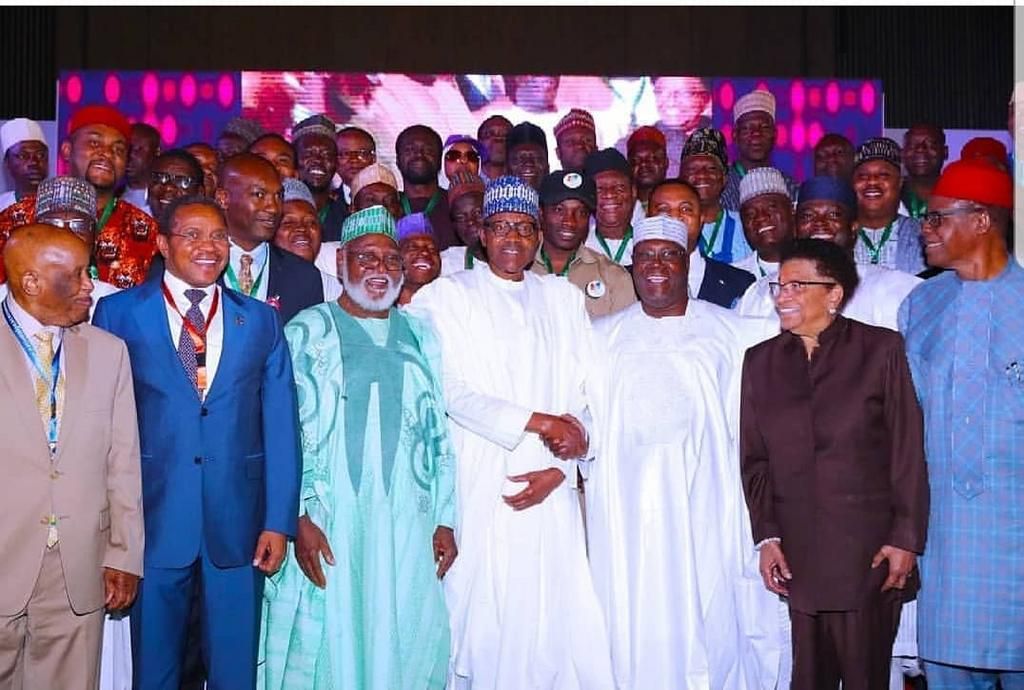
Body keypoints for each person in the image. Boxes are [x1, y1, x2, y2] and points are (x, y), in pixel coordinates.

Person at [406, 176, 615, 690]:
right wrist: (540, 422)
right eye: (501, 227)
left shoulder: (561, 299)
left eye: (524, 228)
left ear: (539, 235)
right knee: (480, 615)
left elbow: (588, 395)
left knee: (550, 619)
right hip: (480, 476)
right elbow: (448, 391)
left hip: (550, 484)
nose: (513, 239)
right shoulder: (446, 296)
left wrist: (563, 468)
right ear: (481, 233)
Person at [92, 196, 301, 690]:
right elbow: (99, 424)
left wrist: (278, 522)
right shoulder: (117, 313)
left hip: (239, 522)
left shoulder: (261, 320)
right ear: (163, 244)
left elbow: (280, 425)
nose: (208, 247)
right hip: (152, 518)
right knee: (154, 666)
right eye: (192, 235)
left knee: (234, 668)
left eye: (217, 237)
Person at [259, 204, 456, 690]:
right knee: (331, 635)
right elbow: (279, 432)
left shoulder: (421, 334)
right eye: (367, 257)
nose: (379, 269)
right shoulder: (305, 331)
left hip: (405, 516)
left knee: (407, 625)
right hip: (329, 515)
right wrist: (297, 516)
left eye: (390, 260)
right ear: (341, 260)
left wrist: (446, 517)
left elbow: (439, 433)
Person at [588, 214, 774, 689]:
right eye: (645, 256)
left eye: (668, 256)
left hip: (708, 498)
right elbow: (581, 413)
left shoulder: (732, 331)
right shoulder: (600, 336)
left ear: (687, 263)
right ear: (631, 267)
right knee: (635, 607)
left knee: (710, 605)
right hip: (627, 505)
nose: (656, 266)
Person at [741, 238, 929, 690]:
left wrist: (904, 538)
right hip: (799, 555)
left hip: (867, 554)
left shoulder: (880, 350)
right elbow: (755, 460)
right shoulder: (761, 362)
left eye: (796, 285)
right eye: (778, 286)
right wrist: (767, 536)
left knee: (866, 677)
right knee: (808, 678)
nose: (782, 296)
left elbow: (906, 449)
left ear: (834, 294)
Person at [0, 223, 142, 690]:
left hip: (78, 570)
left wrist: (124, 553)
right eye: (78, 275)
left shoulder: (109, 352)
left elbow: (123, 460)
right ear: (31, 282)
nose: (90, 285)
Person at [899, 159, 1024, 688]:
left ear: (981, 221)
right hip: (947, 542)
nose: (924, 230)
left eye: (936, 219)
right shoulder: (920, 305)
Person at [0, 106, 159, 289]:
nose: (107, 153)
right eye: (94, 143)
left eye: (118, 149)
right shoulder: (15, 220)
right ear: (67, 150)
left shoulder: (145, 230)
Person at [796, 176, 920, 331]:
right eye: (808, 216)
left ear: (854, 228)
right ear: (796, 229)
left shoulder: (894, 286)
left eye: (833, 215)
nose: (820, 223)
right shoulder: (768, 292)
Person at [215, 153, 324, 323]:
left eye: (278, 196)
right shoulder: (194, 263)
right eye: (259, 195)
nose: (273, 208)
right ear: (223, 199)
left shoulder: (304, 277)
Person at [0, 177, 121, 320]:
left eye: (78, 226)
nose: (66, 234)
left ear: (95, 238)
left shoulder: (113, 302)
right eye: (54, 224)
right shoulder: (5, 297)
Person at [532, 170, 635, 318]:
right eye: (559, 210)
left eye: (581, 212)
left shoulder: (614, 276)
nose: (570, 221)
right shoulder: (521, 270)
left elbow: (625, 338)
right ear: (541, 213)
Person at [648, 180, 755, 308]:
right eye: (663, 210)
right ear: (648, 219)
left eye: (685, 209)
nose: (675, 217)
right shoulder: (627, 281)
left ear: (701, 219)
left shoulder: (741, 283)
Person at [852, 138, 926, 275]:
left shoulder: (924, 234)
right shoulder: (840, 234)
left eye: (883, 175)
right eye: (863, 176)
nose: (872, 181)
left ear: (900, 182)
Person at [315, 163, 402, 281]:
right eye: (371, 201)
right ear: (352, 209)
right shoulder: (325, 255)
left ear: (398, 210)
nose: (380, 208)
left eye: (389, 202)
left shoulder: (406, 255)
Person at [680, 127, 752, 263]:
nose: (701, 174)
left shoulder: (745, 225)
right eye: (692, 169)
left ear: (724, 178)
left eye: (711, 168)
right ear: (681, 177)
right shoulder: (673, 226)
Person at [721, 89, 799, 211]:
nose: (756, 133)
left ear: (775, 134)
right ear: (735, 136)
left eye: (764, 127)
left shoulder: (790, 187)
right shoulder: (721, 186)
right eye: (747, 128)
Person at [734, 167, 795, 316]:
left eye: (771, 207)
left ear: (792, 210)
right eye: (750, 214)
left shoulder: (818, 269)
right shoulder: (733, 278)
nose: (761, 217)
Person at [273, 177, 342, 302]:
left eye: (311, 222)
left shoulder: (334, 291)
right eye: (288, 222)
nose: (302, 228)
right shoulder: (260, 281)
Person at [631, 76, 712, 177]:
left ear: (706, 99)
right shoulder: (633, 144)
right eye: (661, 92)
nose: (671, 102)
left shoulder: (724, 140)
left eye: (685, 93)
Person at [396, 125, 457, 251]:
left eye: (428, 151)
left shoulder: (456, 204)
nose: (419, 155)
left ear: (440, 161)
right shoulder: (387, 206)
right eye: (409, 150)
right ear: (397, 161)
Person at [292, 114, 347, 244]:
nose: (317, 160)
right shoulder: (278, 214)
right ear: (294, 159)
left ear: (336, 163)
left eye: (326, 154)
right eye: (308, 153)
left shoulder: (347, 217)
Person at [583, 148, 636, 267]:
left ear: (633, 192)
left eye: (619, 187)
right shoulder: (580, 248)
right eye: (599, 189)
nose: (609, 194)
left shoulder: (649, 245)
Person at [440, 171, 487, 275]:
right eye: (460, 217)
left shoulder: (515, 258)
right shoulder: (446, 265)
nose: (470, 221)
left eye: (478, 213)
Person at [900, 124, 947, 219]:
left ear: (945, 152)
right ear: (902, 154)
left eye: (930, 144)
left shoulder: (960, 196)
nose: (920, 149)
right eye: (912, 145)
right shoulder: (891, 195)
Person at [0, 118, 48, 212]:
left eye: (40, 155)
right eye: (23, 156)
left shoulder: (61, 206)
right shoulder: (1, 206)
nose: (34, 162)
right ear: (7, 163)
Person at [145, 149, 204, 224]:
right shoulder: (132, 228)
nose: (168, 187)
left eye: (182, 181)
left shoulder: (208, 233)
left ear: (200, 193)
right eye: (160, 177)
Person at [396, 212, 442, 306]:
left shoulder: (455, 304)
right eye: (413, 247)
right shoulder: (378, 310)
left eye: (432, 249)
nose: (425, 252)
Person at [627, 126, 669, 216]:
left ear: (666, 162)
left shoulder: (678, 204)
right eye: (636, 160)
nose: (643, 164)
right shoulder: (621, 209)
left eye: (652, 158)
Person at [122, 123, 161, 212]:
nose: (131, 155)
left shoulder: (165, 200)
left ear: (157, 152)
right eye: (127, 148)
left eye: (138, 149)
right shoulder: (111, 201)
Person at [335, 126, 377, 206]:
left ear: (373, 159)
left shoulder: (390, 201)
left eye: (361, 153)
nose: (354, 159)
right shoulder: (326, 203)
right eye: (345, 153)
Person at [505, 121, 549, 192]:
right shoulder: (490, 201)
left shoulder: (563, 199)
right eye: (519, 158)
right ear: (506, 167)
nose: (528, 163)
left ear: (547, 166)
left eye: (537, 158)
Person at [477, 115, 512, 181]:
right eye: (490, 134)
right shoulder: (465, 183)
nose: (498, 139)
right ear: (479, 142)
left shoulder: (523, 184)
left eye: (505, 135)